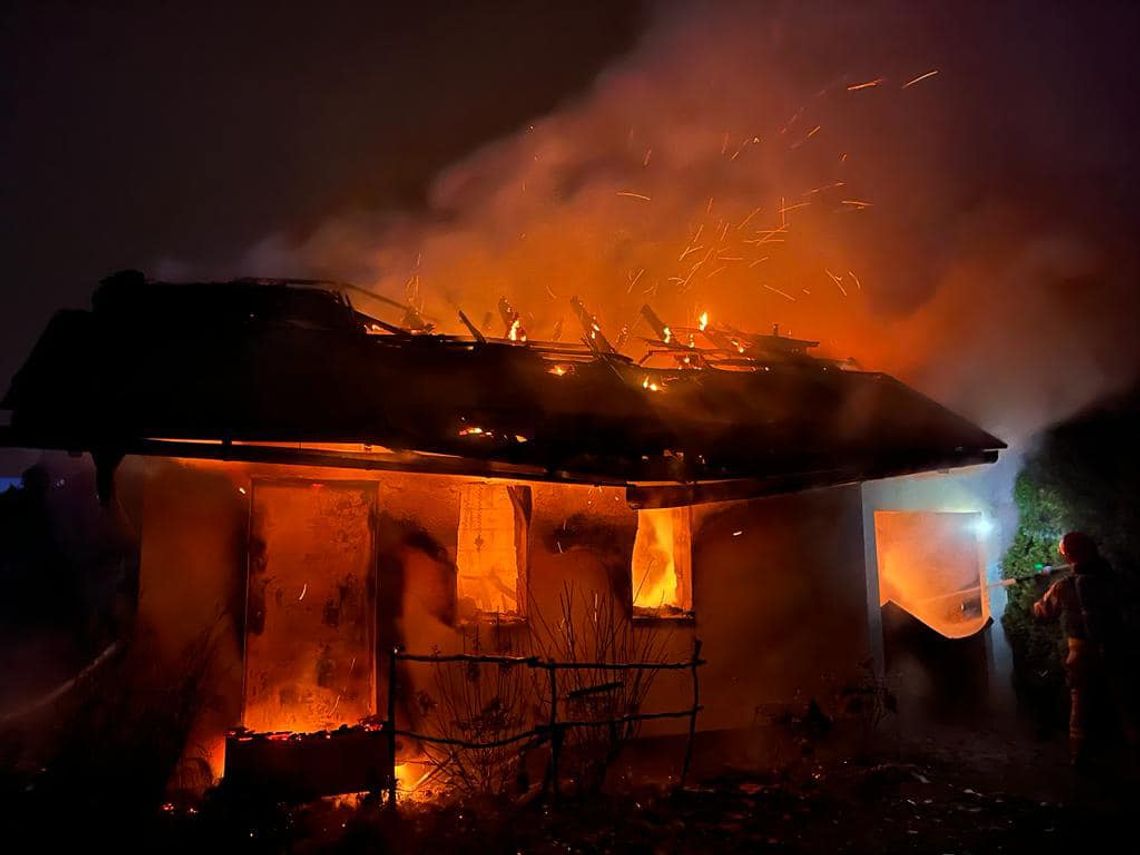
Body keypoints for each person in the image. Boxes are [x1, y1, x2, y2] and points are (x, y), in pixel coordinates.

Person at [1033, 531, 1135, 768]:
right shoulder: (1112, 579)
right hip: (1115, 647)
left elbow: (1042, 612)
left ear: (1069, 556)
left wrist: (1042, 586)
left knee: (1081, 704)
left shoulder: (1064, 586)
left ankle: (1078, 756)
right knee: (1126, 700)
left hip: (1080, 653)